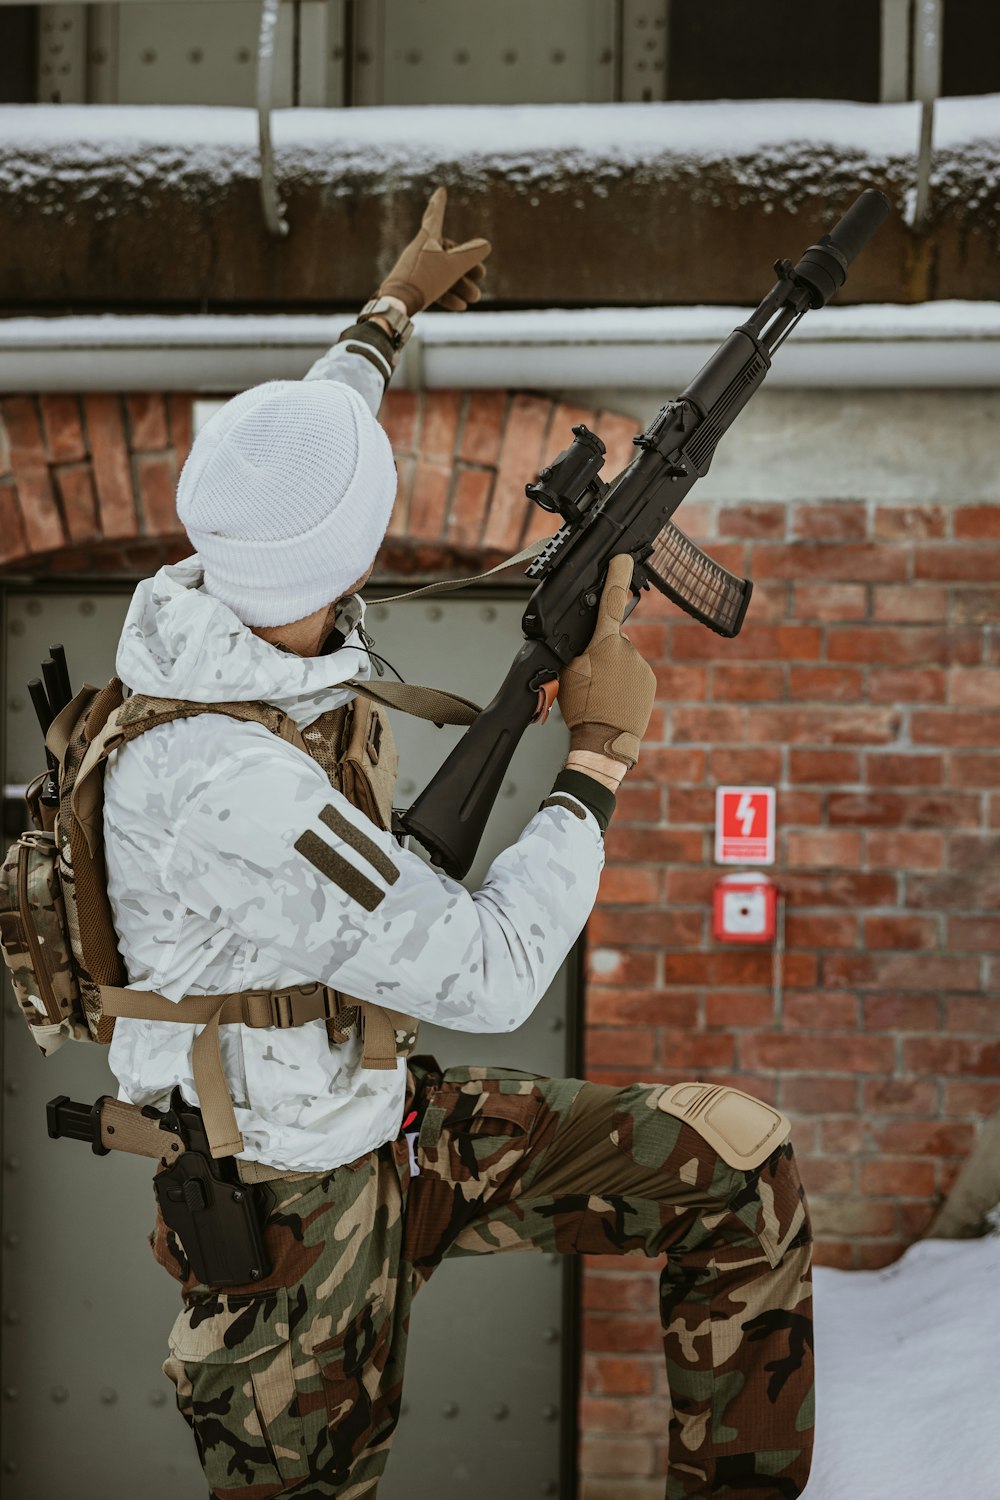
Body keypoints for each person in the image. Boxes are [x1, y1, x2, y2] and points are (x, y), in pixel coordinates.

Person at [102, 188, 814, 1499]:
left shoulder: (227, 589)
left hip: (388, 1129)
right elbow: (487, 976)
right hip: (289, 1233)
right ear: (340, 562)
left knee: (734, 1161)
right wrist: (595, 757)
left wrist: (394, 306)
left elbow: (307, 443)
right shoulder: (233, 786)